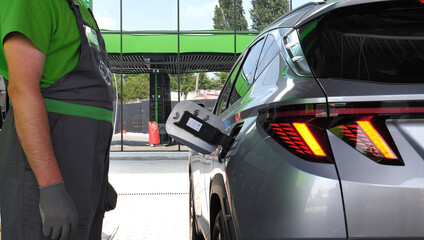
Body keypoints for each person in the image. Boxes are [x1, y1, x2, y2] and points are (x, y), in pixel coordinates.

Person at [0, 0, 116, 239]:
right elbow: (22, 89)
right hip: (47, 166)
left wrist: (99, 179)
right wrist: (51, 187)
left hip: (84, 166)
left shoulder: (80, 8)